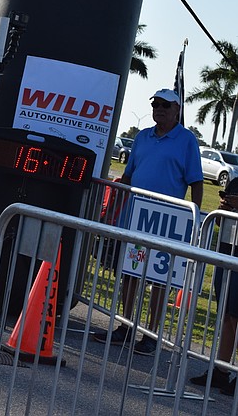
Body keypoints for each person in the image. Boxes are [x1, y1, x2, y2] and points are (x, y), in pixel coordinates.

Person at [92, 88, 203, 355]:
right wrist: (115, 209)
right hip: (136, 216)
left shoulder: (187, 141)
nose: (159, 109)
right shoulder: (142, 137)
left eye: (165, 105)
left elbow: (196, 182)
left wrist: (195, 217)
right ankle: (126, 326)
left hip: (168, 221)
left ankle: (151, 333)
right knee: (130, 273)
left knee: (159, 279)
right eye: (156, 104)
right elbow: (128, 177)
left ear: (177, 109)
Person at [190, 179, 238, 394]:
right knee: (226, 314)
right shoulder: (236, 182)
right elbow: (220, 222)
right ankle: (221, 370)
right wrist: (224, 208)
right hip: (227, 252)